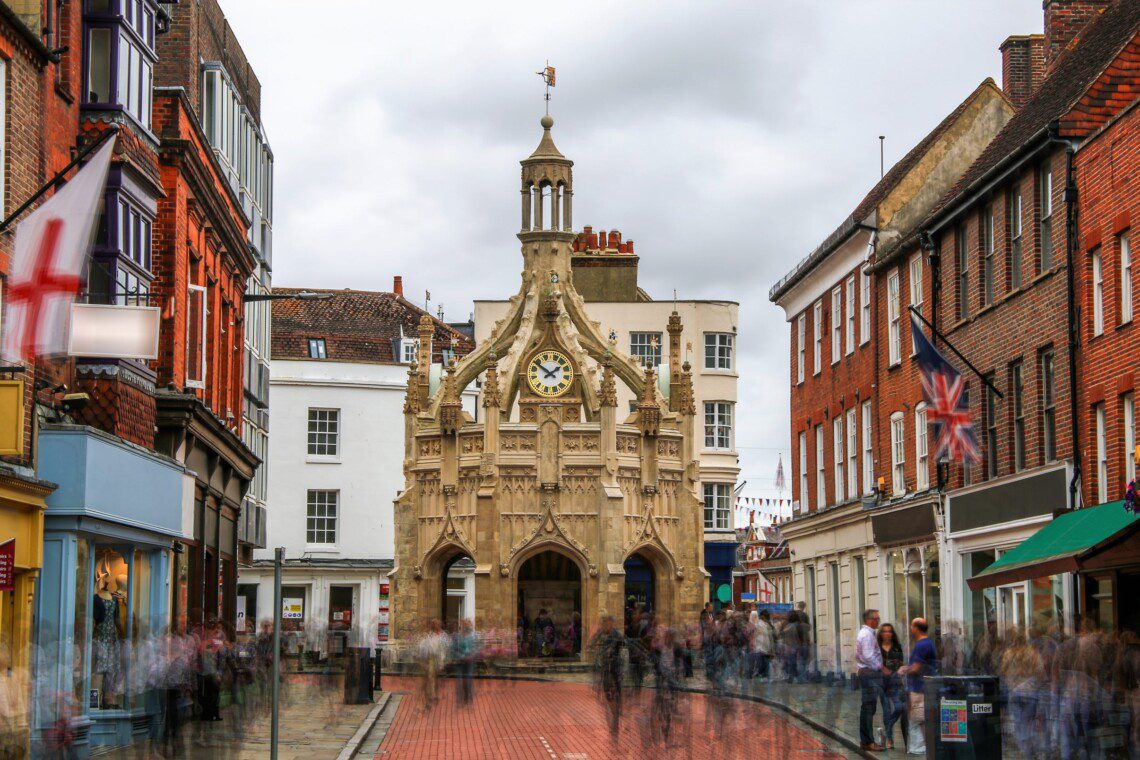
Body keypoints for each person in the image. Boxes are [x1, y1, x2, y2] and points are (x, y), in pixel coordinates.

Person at [899, 617, 937, 756]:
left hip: (919, 688)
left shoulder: (922, 645)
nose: (910, 629)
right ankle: (919, 746)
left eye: (911, 626)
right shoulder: (926, 643)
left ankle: (919, 747)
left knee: (917, 718)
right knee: (917, 718)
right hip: (920, 687)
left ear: (916, 628)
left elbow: (916, 668)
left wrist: (904, 670)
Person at [855, 609, 889, 752]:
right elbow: (868, 656)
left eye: (878, 618)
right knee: (868, 708)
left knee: (868, 708)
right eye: (875, 619)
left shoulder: (867, 634)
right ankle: (868, 742)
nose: (877, 621)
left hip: (867, 673)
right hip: (869, 674)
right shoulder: (867, 635)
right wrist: (881, 668)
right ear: (868, 620)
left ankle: (867, 741)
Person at [878, 622, 906, 750]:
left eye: (889, 631)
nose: (887, 634)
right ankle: (889, 739)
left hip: (895, 683)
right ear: (881, 634)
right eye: (884, 631)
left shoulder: (897, 648)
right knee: (886, 711)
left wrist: (902, 670)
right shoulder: (877, 649)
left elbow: (901, 664)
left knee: (900, 707)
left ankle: (885, 731)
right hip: (882, 684)